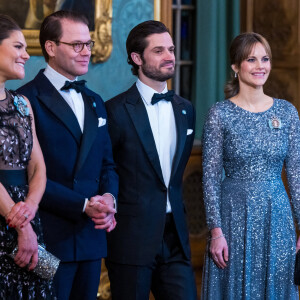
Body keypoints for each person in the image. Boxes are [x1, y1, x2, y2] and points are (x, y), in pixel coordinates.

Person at [17, 10, 118, 300]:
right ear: (51, 47)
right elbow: (28, 176)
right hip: (48, 238)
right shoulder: (27, 100)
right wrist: (82, 204)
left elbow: (107, 164)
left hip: (91, 235)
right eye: (77, 45)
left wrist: (109, 199)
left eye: (88, 44)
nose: (86, 51)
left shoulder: (95, 101)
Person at [201, 32, 300, 299]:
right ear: (235, 66)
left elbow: (296, 174)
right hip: (232, 216)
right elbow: (209, 178)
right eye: (251, 59)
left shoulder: (287, 112)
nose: (260, 66)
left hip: (277, 217)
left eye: (265, 59)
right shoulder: (219, 114)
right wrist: (216, 231)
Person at [105, 20, 197, 300]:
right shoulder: (115, 110)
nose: (170, 56)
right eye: (159, 50)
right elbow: (106, 169)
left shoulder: (186, 109)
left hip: (176, 237)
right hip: (131, 237)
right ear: (137, 58)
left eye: (170, 49)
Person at [0, 14, 55, 299]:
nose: (26, 54)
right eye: (18, 47)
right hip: (9, 218)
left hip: (26, 217)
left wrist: (30, 209)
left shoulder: (23, 104)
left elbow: (38, 168)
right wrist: (20, 224)